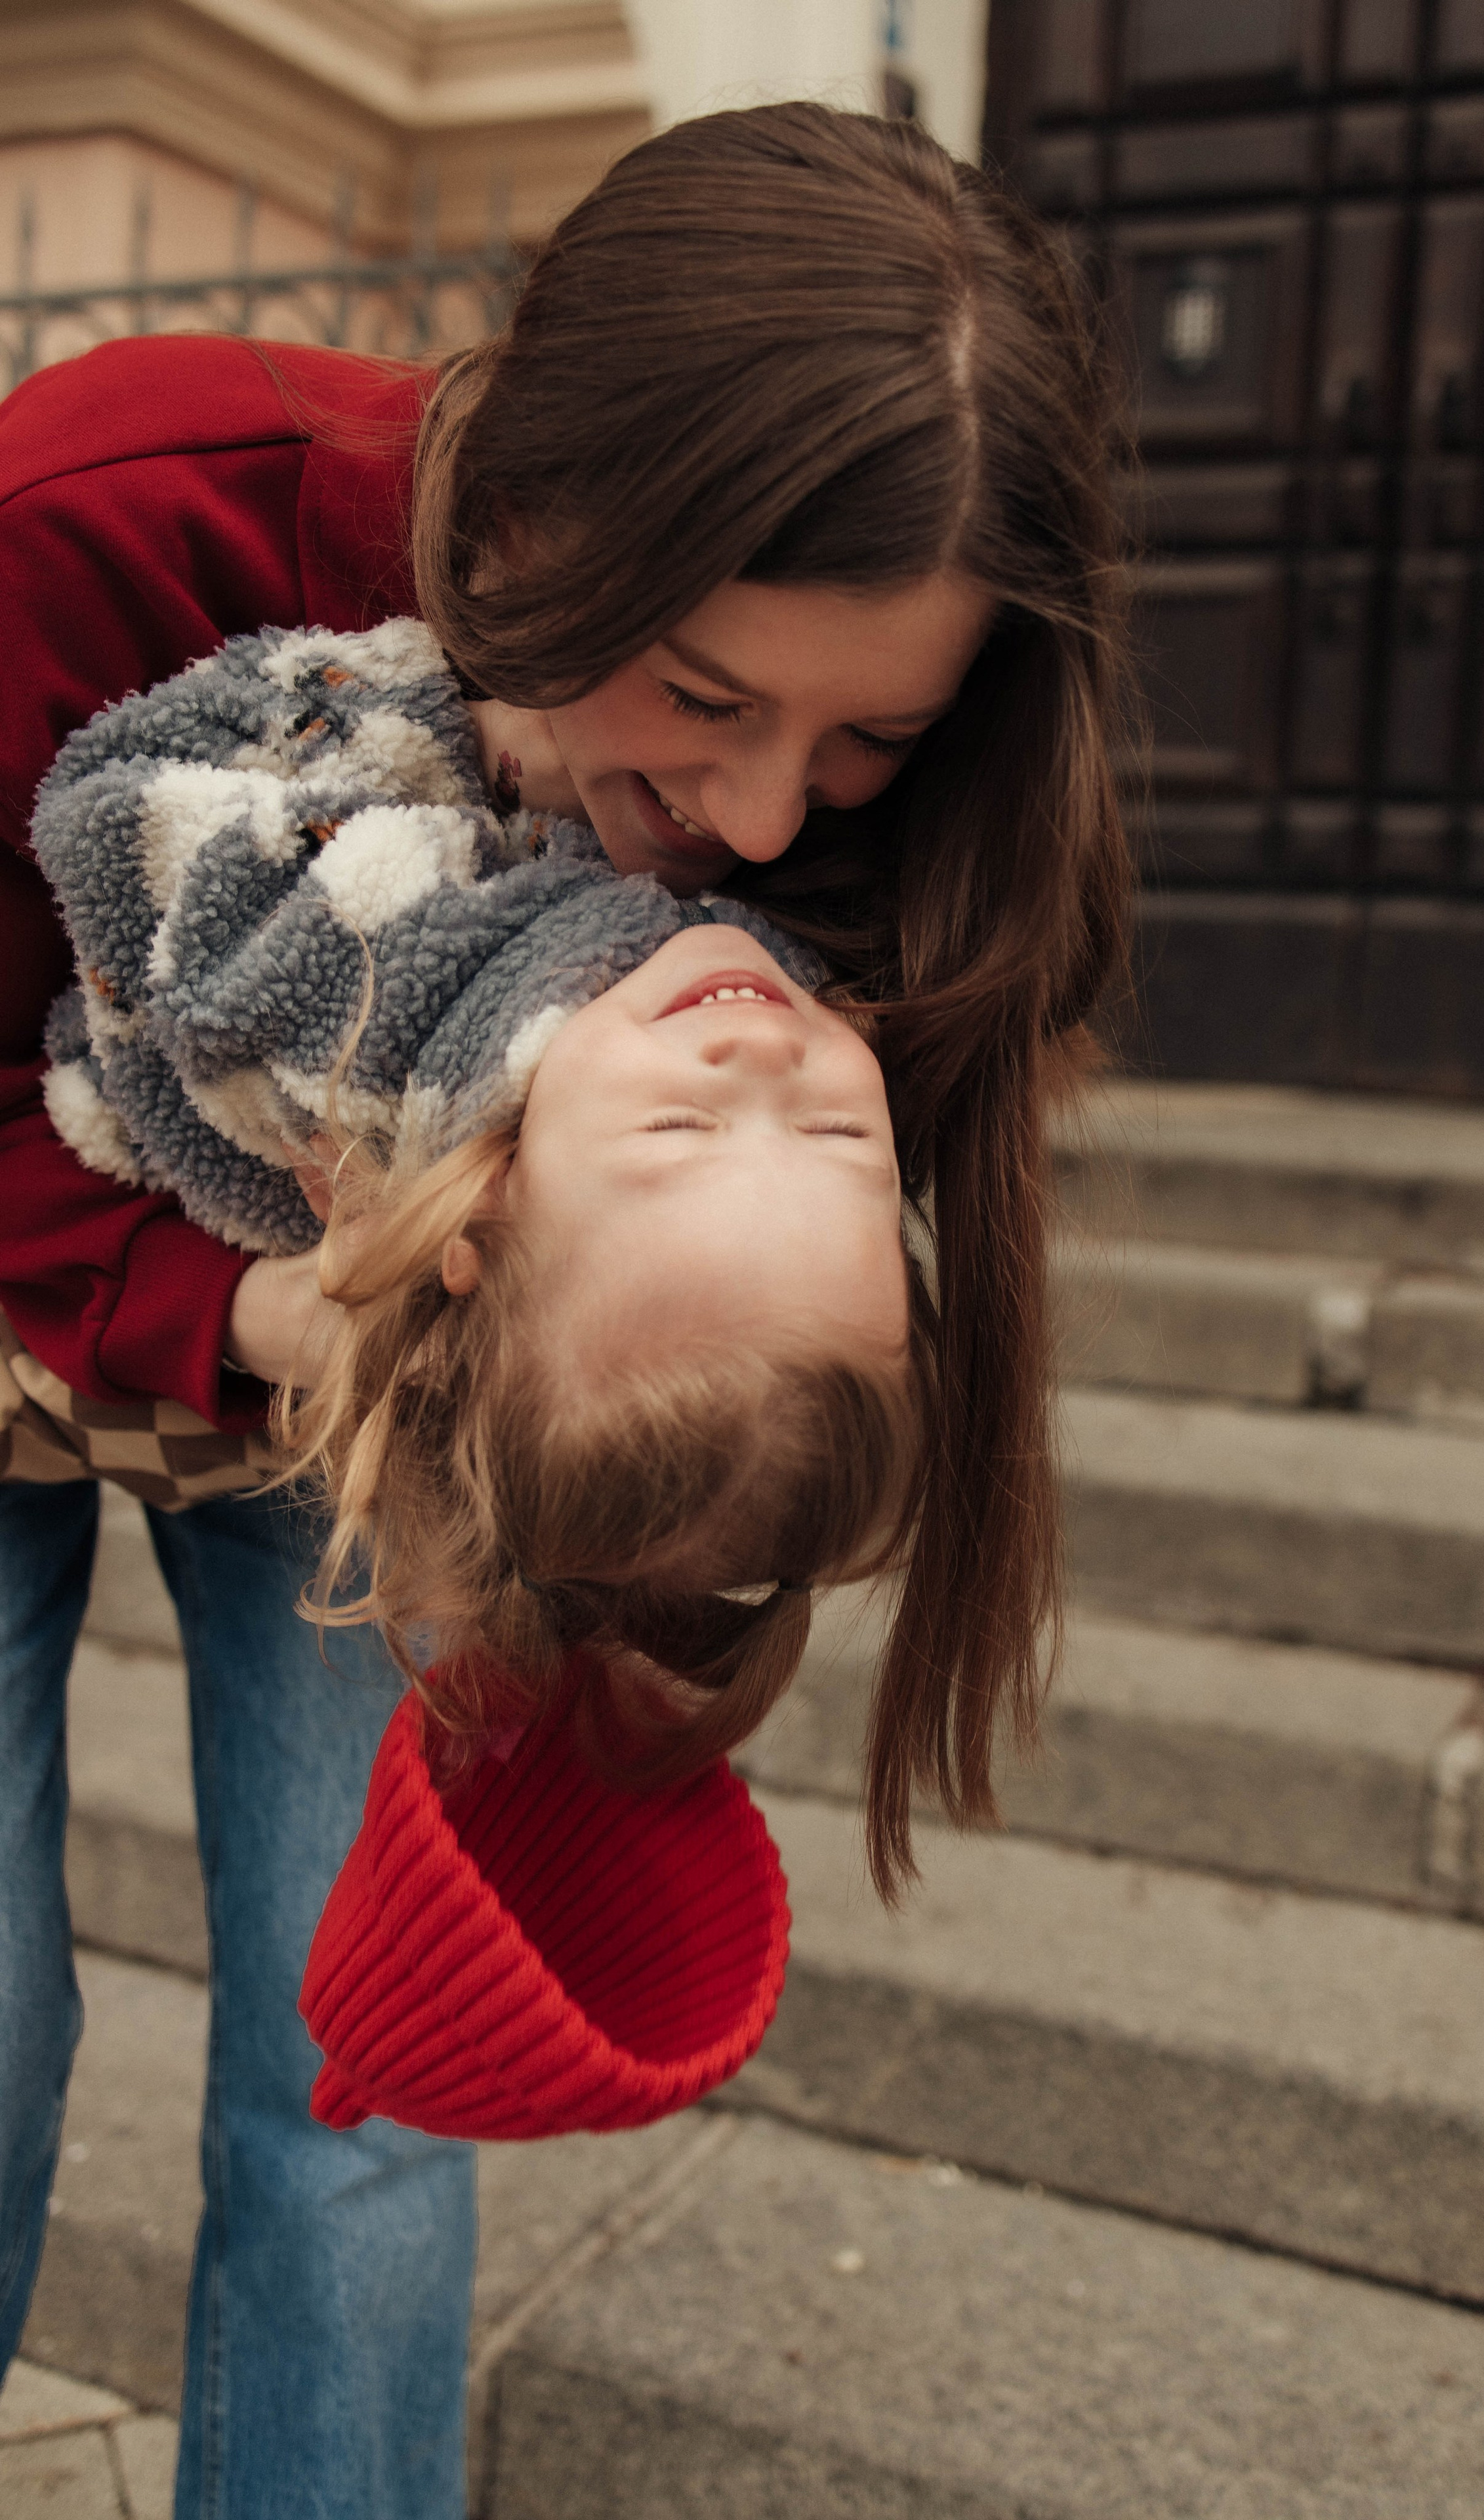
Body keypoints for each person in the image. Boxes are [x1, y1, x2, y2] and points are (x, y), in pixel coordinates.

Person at [0, 101, 1132, 2520]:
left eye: (864, 745)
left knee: (368, 2100)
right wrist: (258, 1317)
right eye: (703, 696)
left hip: (399, 1385)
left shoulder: (846, 827)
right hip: (104, 1277)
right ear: (522, 508)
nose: (749, 828)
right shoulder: (109, 507)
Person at [32, 614, 918, 1764]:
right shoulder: (727, 1003)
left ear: (492, 1203)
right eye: (841, 1131)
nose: (764, 1060)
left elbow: (106, 814)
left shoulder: (364, 1000)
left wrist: (456, 710)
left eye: (681, 1126)